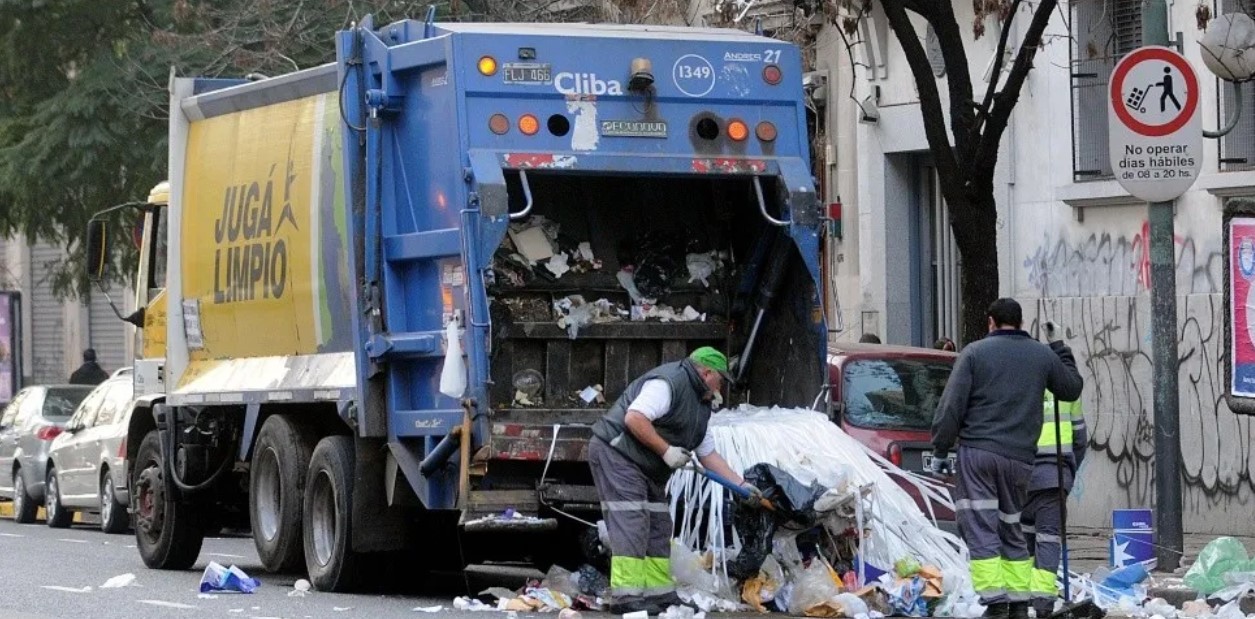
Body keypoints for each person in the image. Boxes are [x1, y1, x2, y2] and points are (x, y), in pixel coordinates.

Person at [930, 299, 1083, 619]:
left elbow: (951, 406)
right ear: (1020, 321)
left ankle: (996, 602)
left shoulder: (974, 353)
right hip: (1021, 459)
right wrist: (1060, 348)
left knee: (980, 525)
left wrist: (941, 448)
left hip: (980, 454)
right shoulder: (1041, 354)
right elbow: (1070, 388)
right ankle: (1017, 602)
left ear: (990, 322)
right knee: (1012, 527)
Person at [589, 346, 760, 614]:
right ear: (707, 372)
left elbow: (708, 454)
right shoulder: (669, 384)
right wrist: (666, 450)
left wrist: (740, 485)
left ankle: (659, 594)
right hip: (617, 452)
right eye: (721, 379)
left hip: (646, 465)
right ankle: (626, 596)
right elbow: (634, 418)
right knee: (632, 520)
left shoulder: (700, 406)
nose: (722, 387)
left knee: (659, 524)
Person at [1022, 323, 1088, 618]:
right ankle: (1043, 603)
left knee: (1023, 538)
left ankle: (1021, 600)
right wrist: (1069, 475)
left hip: (1020, 475)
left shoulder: (1021, 383)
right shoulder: (1068, 391)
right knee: (1048, 539)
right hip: (1054, 476)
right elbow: (1080, 439)